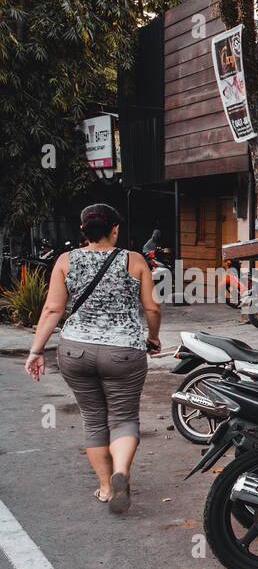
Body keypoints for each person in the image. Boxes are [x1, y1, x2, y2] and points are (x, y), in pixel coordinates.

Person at [25, 204, 161, 514]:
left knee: (94, 419)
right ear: (115, 229)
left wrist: (36, 350)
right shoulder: (135, 260)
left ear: (84, 231)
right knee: (124, 418)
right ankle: (121, 473)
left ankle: (104, 488)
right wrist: (152, 337)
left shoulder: (65, 261)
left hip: (76, 350)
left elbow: (52, 309)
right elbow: (152, 308)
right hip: (124, 351)